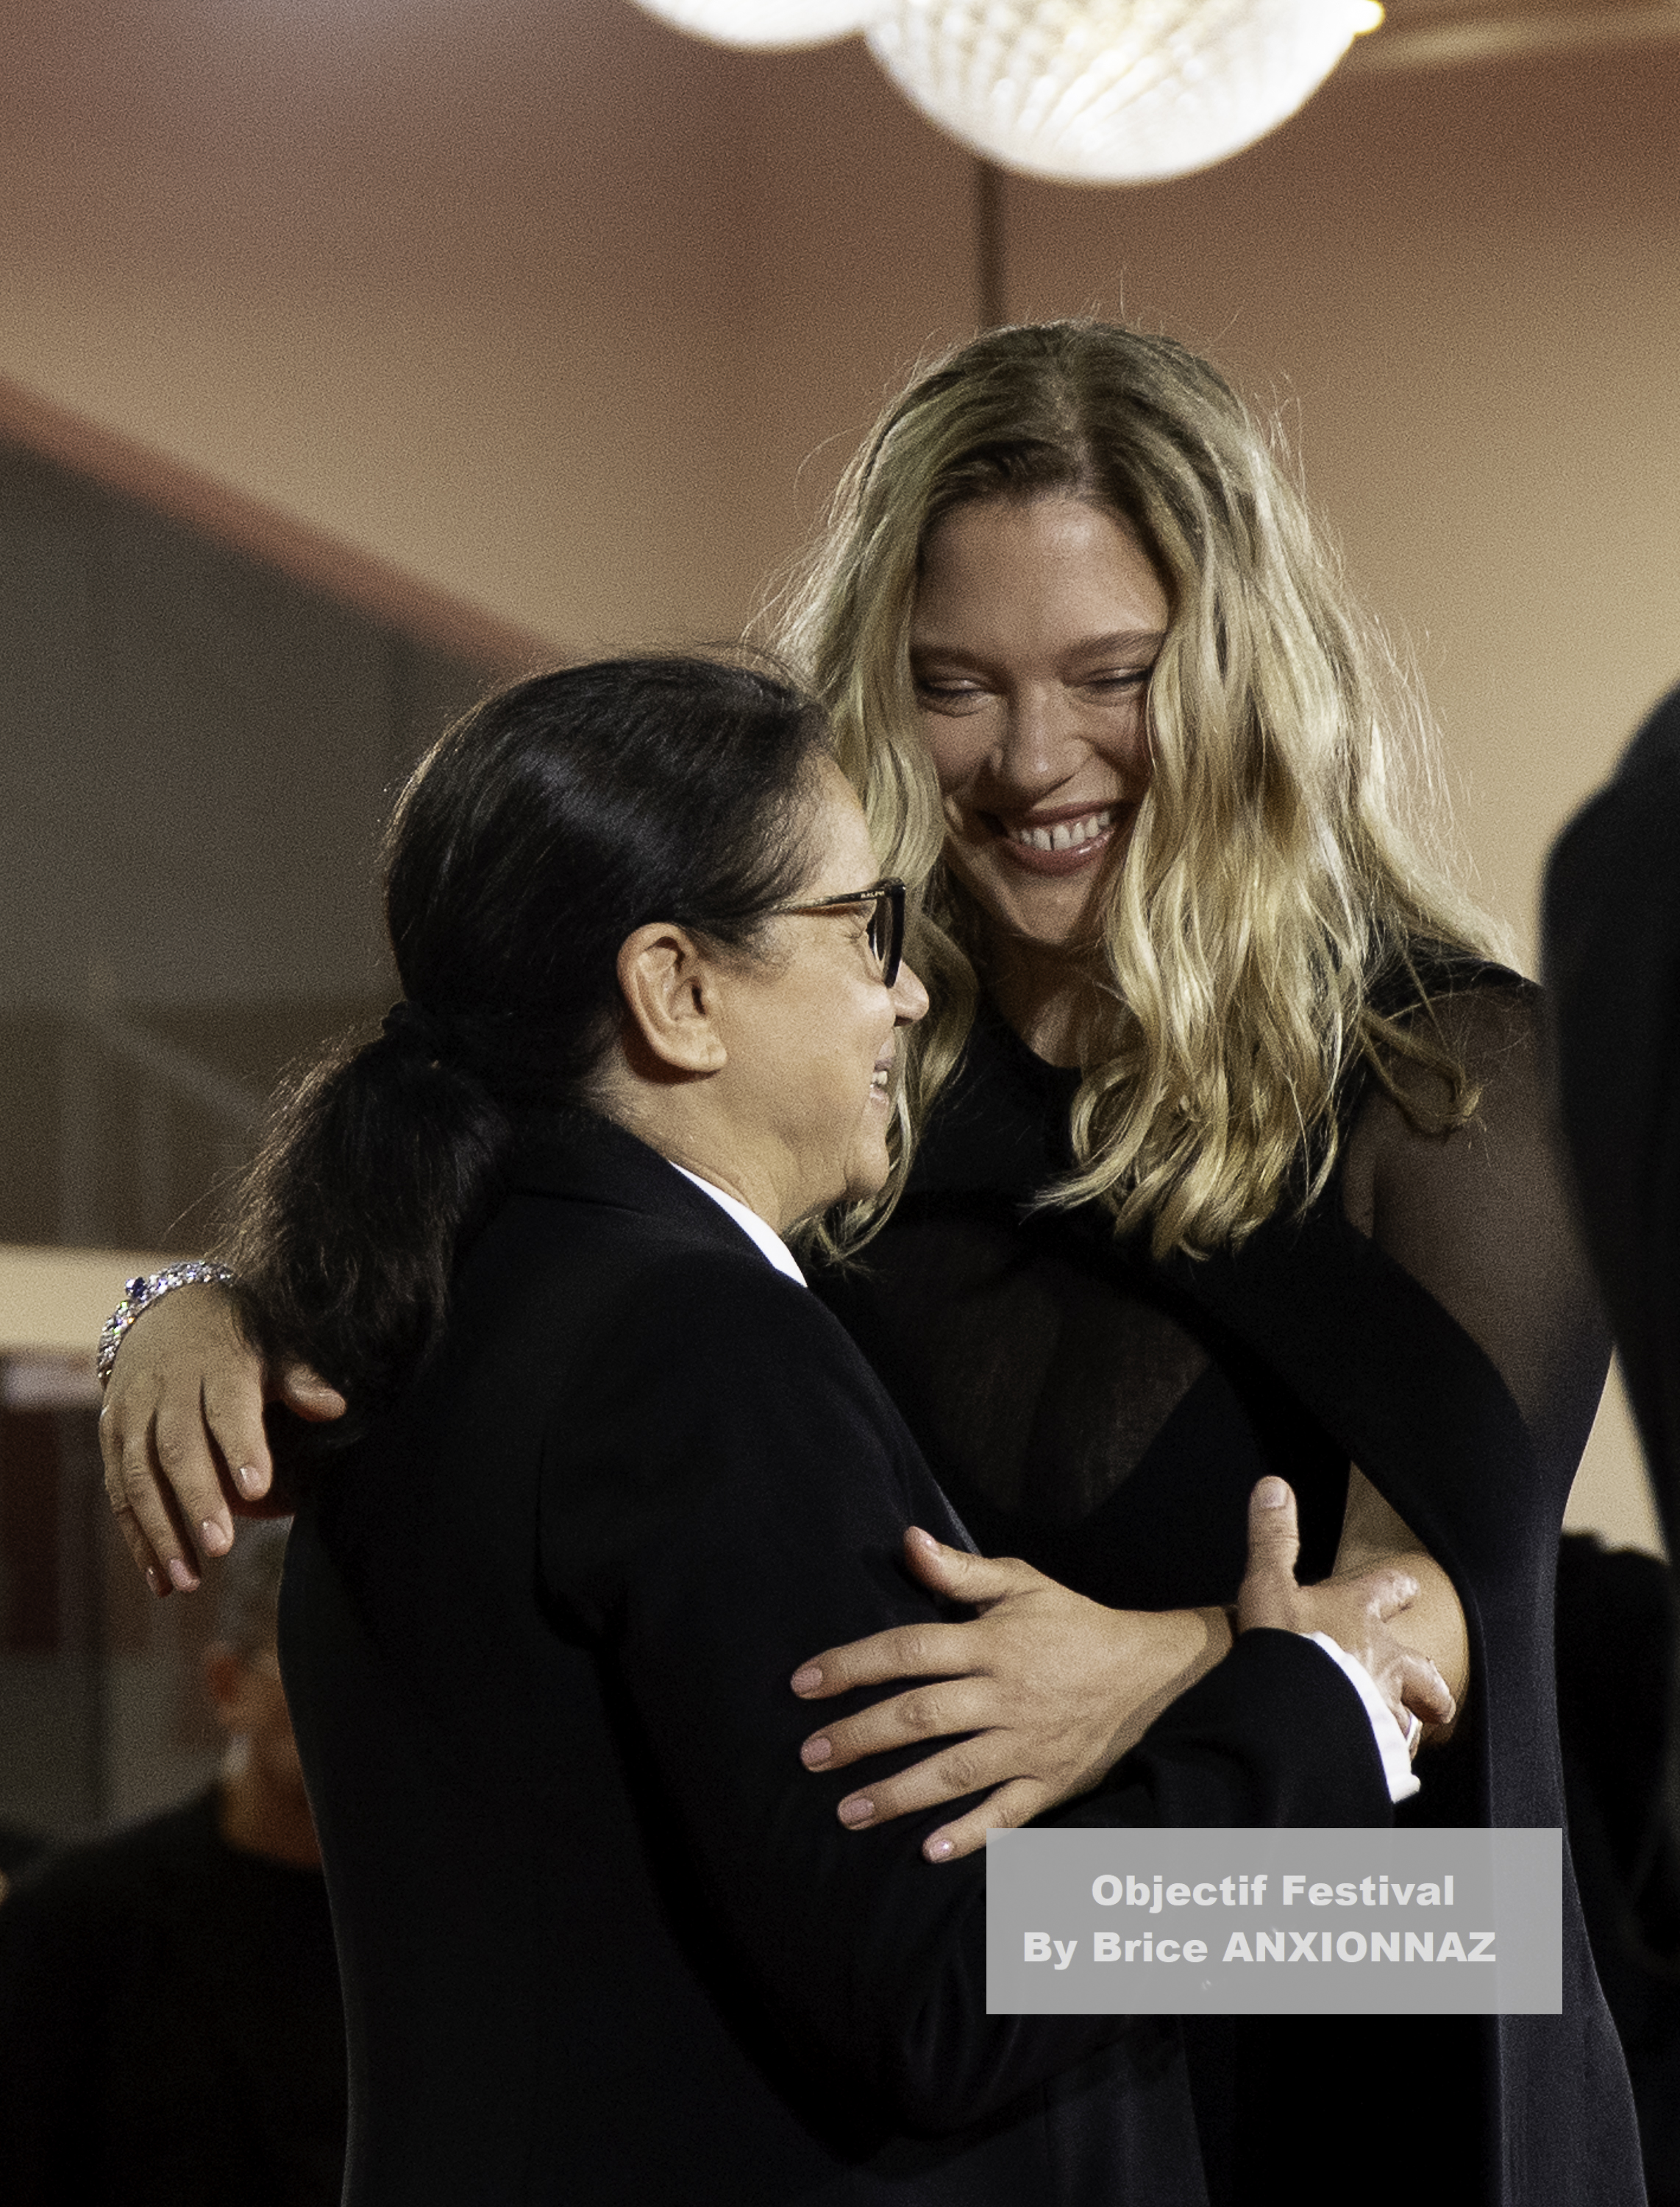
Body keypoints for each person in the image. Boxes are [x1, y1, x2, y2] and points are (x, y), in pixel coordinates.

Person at [96, 327, 1640, 2203]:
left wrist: (1159, 1673)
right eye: (952, 686)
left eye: (1112, 676)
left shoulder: (1452, 1084)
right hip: (955, 2041)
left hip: (1352, 1981)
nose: (1029, 756)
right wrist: (199, 1307)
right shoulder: (812, 1086)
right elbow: (485, 1176)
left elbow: (1451, 1641)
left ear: (1243, 674)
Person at [0, 1521, 346, 2206]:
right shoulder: (80, 1919)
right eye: (323, 1671)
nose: (357, 1720)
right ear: (227, 1685)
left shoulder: (446, 1931)